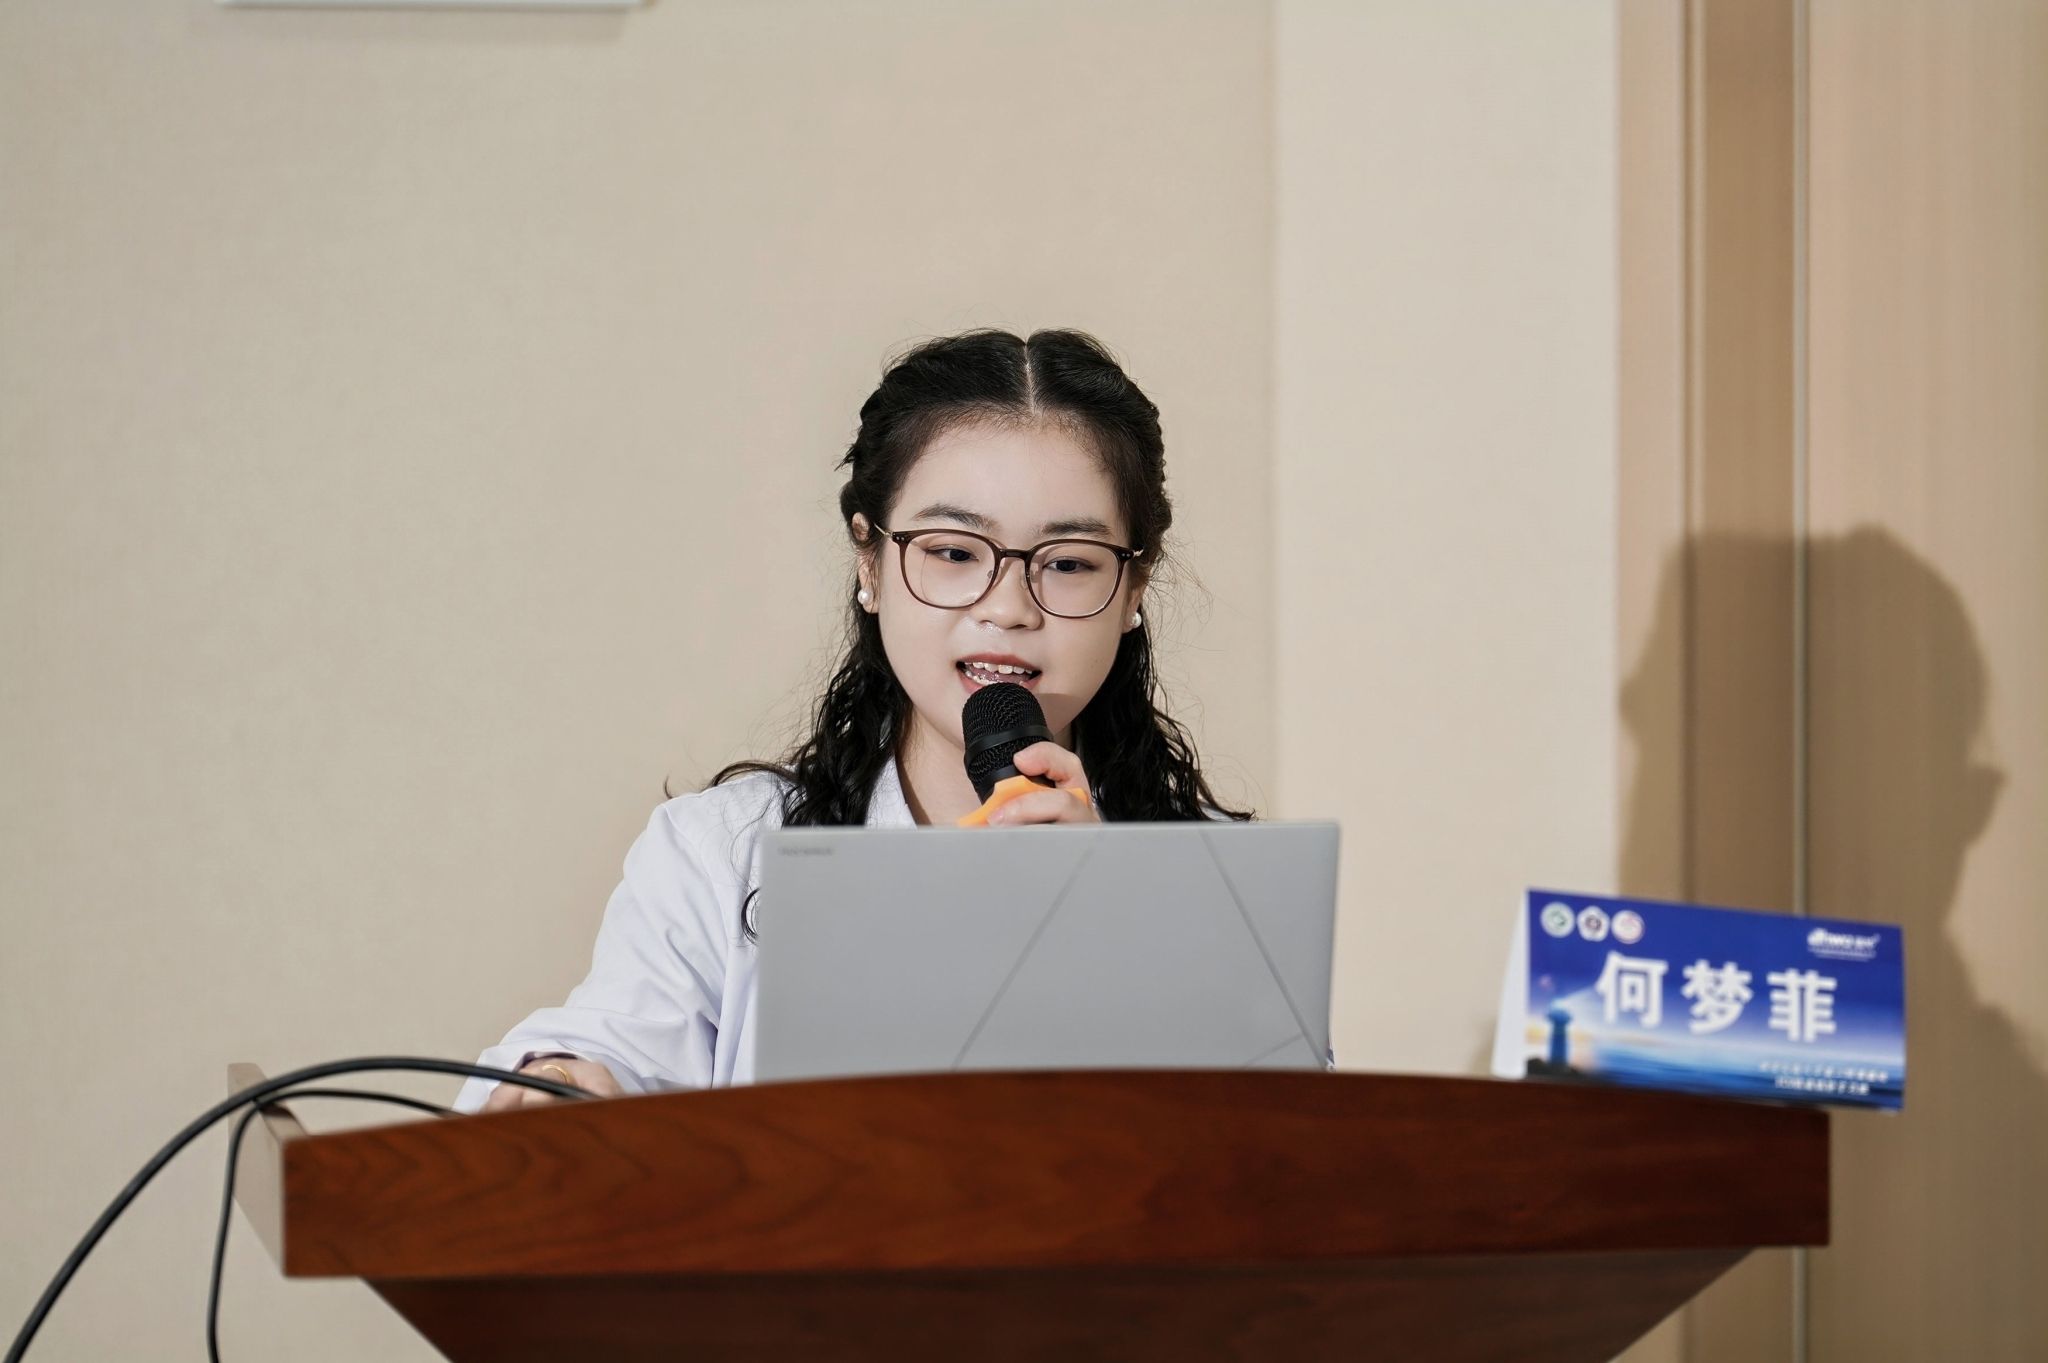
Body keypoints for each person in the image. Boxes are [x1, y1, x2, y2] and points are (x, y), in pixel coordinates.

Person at [452, 328, 1250, 1114]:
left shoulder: (1232, 892)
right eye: (953, 552)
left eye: (1069, 562)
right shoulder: (723, 854)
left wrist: (1113, 919)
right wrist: (565, 1081)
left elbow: (1267, 1151)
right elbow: (609, 1050)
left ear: (1134, 586)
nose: (1008, 608)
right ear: (870, 560)